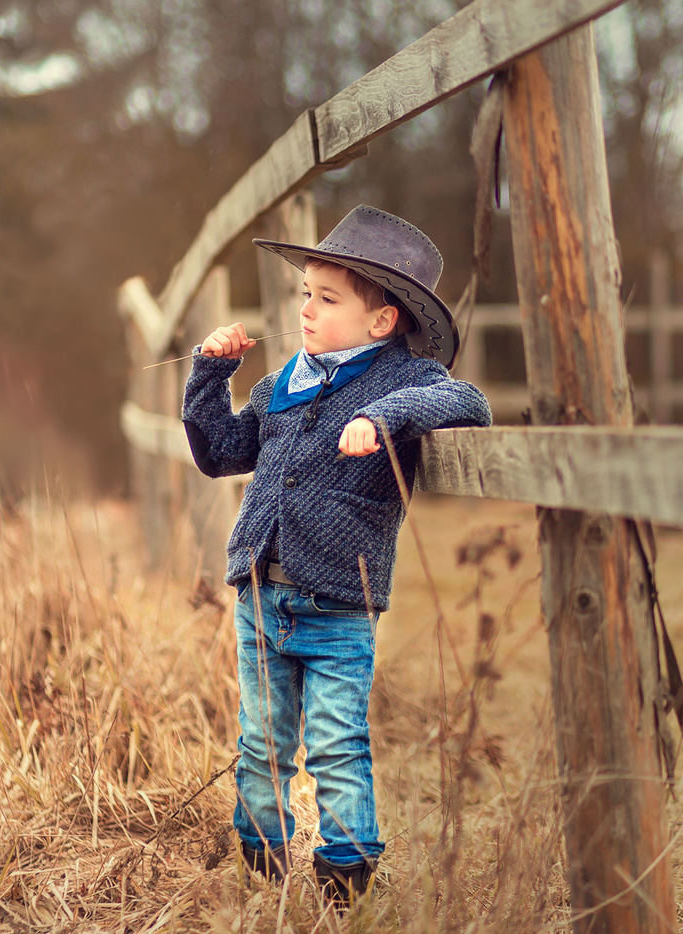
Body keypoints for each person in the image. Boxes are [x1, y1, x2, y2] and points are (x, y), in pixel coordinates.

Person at [180, 205, 491, 904]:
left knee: (336, 743)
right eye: (305, 295)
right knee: (262, 743)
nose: (308, 311)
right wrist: (208, 374)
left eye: (327, 299)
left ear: (381, 321)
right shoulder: (281, 383)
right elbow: (221, 451)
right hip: (262, 594)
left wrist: (383, 421)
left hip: (338, 605)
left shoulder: (404, 380)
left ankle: (345, 874)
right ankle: (259, 863)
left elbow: (470, 402)